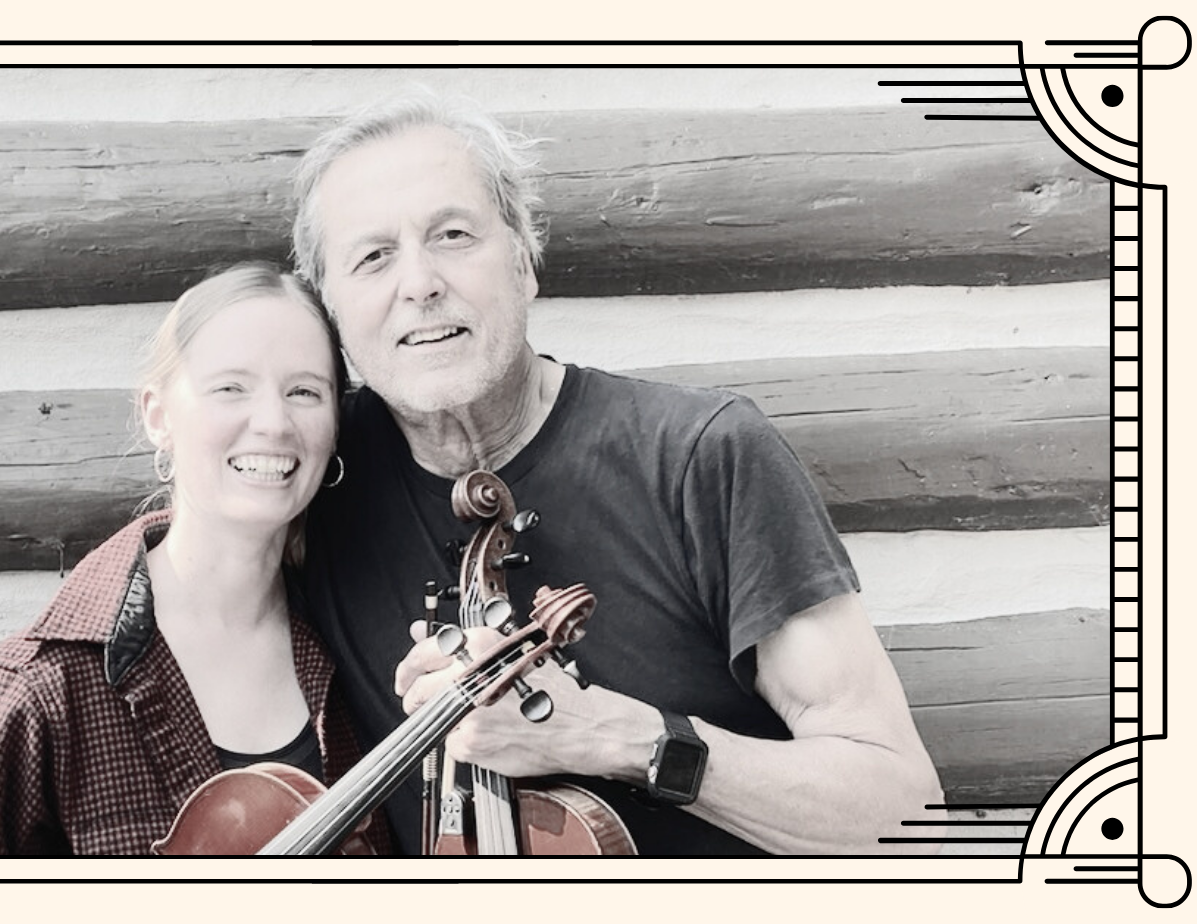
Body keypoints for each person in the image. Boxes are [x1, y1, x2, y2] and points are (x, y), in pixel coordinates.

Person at [292, 94, 948, 856]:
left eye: (453, 235)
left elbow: (903, 814)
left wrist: (617, 736)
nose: (420, 282)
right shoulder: (314, 478)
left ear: (525, 261)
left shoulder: (701, 455)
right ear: (332, 313)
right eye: (373, 256)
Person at [0, 263, 388, 855]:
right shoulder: (37, 692)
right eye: (230, 387)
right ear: (159, 415)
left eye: (304, 391)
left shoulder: (355, 652)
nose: (273, 423)